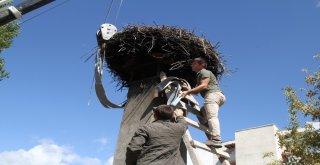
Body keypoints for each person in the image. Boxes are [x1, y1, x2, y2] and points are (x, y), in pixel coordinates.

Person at [181, 57, 226, 148]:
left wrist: (187, 92)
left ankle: (216, 139)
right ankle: (211, 132)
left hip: (212, 95)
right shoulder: (199, 75)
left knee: (212, 117)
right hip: (216, 96)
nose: (192, 65)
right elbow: (198, 90)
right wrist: (188, 89)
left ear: (201, 65)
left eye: (194, 63)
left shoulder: (203, 72)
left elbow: (204, 85)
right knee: (201, 115)